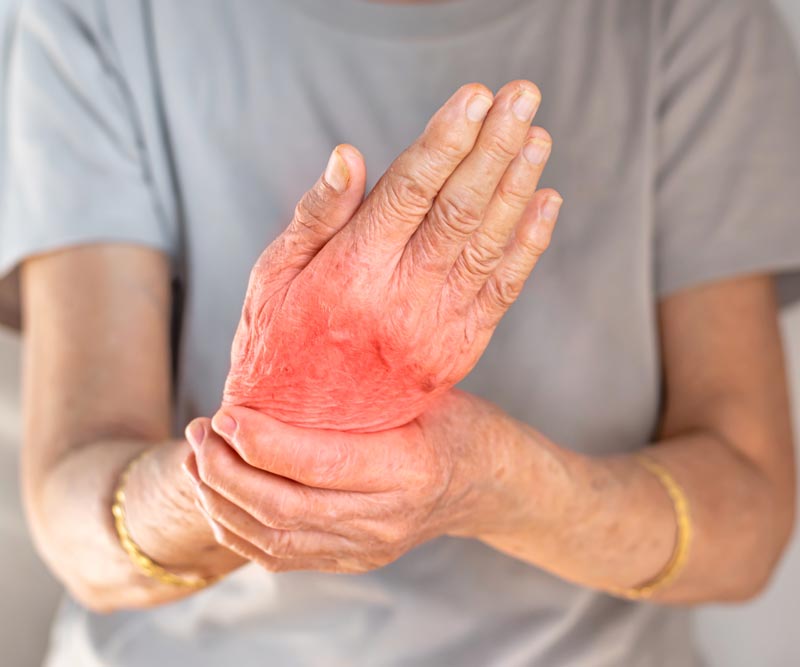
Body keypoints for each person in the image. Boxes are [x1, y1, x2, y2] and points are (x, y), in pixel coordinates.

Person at [1, 0, 799, 665]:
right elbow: (75, 520)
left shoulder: (691, 18)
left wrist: (496, 481)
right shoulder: (97, 14)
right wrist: (250, 461)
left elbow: (749, 520)